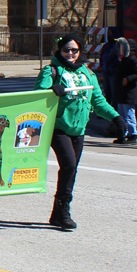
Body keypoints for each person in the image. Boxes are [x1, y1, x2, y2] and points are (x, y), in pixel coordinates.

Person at [34, 33, 126, 230]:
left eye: (74, 50)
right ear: (59, 50)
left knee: (72, 169)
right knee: (68, 165)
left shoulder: (87, 73)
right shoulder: (51, 71)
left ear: (79, 52)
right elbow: (37, 96)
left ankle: (57, 213)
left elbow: (98, 101)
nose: (70, 53)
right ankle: (64, 211)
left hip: (79, 129)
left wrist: (116, 117)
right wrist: (51, 90)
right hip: (58, 127)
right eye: (66, 49)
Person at [113, 37, 137, 145]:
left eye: (122, 47)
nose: (120, 49)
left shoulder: (132, 60)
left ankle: (133, 134)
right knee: (121, 115)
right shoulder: (122, 60)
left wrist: (128, 79)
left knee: (128, 115)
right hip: (120, 93)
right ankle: (123, 134)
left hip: (129, 93)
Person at [99, 27, 120, 109]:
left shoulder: (118, 45)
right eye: (109, 32)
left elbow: (118, 58)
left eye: (111, 32)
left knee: (114, 93)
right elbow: (102, 56)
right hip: (105, 72)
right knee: (106, 93)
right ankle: (106, 111)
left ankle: (114, 111)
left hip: (114, 73)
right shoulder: (106, 45)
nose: (110, 34)